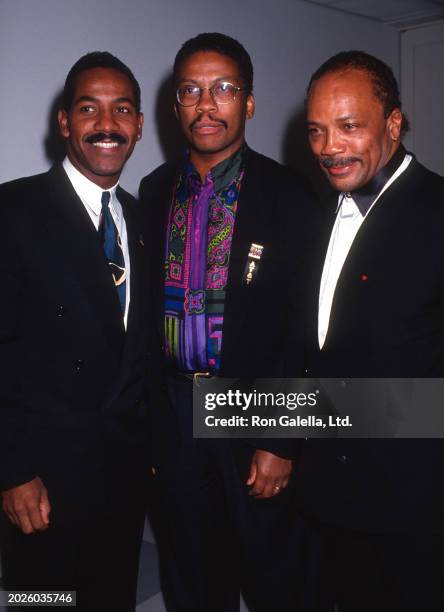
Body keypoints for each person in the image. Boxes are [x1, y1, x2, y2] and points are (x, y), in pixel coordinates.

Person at [139, 32, 324, 612]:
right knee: (191, 573)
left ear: (247, 102)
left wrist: (282, 440)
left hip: (254, 409)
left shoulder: (292, 194)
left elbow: (306, 328)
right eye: (191, 91)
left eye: (222, 89)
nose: (205, 104)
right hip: (173, 411)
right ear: (175, 107)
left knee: (277, 573)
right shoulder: (153, 190)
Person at [0, 52, 153, 611]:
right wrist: (12, 471)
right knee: (44, 603)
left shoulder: (143, 221)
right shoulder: (13, 211)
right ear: (64, 121)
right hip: (43, 484)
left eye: (122, 110)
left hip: (123, 480)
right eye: (90, 109)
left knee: (112, 599)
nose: (107, 125)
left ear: (138, 126)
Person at [298, 50, 444, 612]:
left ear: (394, 124)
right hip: (335, 502)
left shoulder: (436, 211)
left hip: (419, 509)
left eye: (349, 127)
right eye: (317, 131)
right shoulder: (317, 211)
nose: (329, 147)